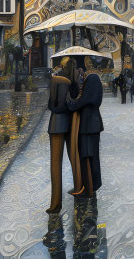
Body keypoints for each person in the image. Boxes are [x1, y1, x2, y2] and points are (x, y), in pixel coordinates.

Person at [66, 61, 103, 199]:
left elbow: (76, 104)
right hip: (91, 127)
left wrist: (69, 100)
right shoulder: (93, 97)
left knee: (87, 157)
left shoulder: (89, 97)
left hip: (89, 128)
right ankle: (90, 185)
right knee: (90, 157)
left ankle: (90, 186)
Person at [46, 62, 79, 214]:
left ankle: (55, 203)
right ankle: (79, 189)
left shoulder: (55, 80)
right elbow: (75, 102)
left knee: (55, 164)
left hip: (56, 124)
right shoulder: (74, 81)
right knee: (74, 159)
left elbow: (51, 105)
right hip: (70, 123)